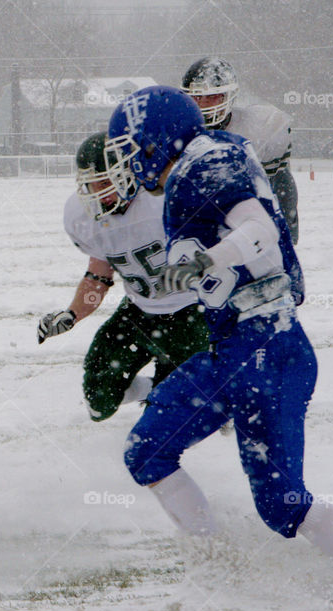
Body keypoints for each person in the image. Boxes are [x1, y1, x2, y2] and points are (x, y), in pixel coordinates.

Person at [106, 85, 333, 602]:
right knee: (147, 451)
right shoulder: (195, 165)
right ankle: (220, 565)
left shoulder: (205, 163)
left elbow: (258, 230)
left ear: (156, 141)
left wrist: (208, 260)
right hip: (233, 349)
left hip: (268, 349)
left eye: (130, 150)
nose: (127, 164)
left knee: (281, 504)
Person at [37, 131, 208, 421]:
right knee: (98, 401)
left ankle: (208, 395)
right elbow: (98, 276)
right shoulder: (83, 216)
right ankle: (158, 388)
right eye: (91, 183)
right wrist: (72, 314)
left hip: (190, 314)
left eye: (106, 181)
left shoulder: (165, 200)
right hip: (138, 312)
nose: (97, 191)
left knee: (171, 418)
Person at [182, 57, 299, 243]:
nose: (203, 104)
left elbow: (281, 188)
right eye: (197, 97)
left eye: (212, 97)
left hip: (249, 231)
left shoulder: (259, 129)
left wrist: (284, 234)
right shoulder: (179, 133)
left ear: (229, 96)